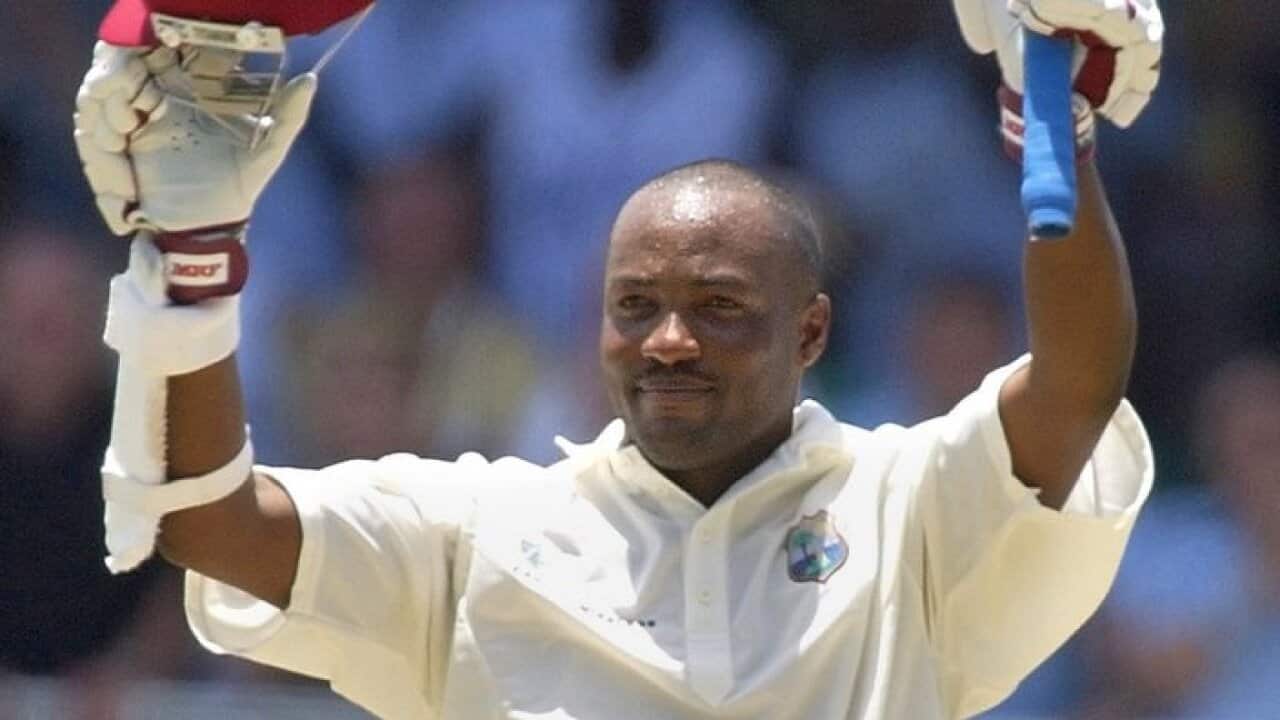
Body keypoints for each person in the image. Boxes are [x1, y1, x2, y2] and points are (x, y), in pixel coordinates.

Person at [73, 0, 1161, 717]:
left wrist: (1051, 127)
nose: (668, 341)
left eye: (719, 306)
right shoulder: (480, 530)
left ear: (812, 334)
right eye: (633, 306)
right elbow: (205, 522)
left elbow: (1073, 382)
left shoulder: (906, 508)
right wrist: (191, 262)